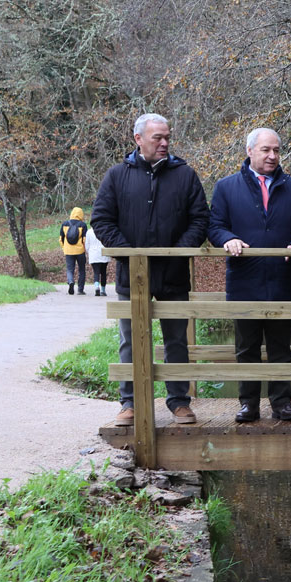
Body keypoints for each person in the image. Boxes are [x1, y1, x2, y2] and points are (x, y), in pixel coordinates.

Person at [91, 113, 210, 427]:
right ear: (138, 139)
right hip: (133, 275)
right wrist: (132, 255)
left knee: (176, 341)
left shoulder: (185, 175)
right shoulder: (117, 176)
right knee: (130, 341)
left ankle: (179, 402)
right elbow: (102, 220)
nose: (165, 143)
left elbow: (200, 220)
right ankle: (130, 404)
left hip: (174, 275)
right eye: (157, 137)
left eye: (167, 137)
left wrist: (178, 251)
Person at [208, 128, 291, 423]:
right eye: (266, 150)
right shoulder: (227, 187)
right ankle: (248, 404)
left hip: (282, 278)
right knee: (246, 347)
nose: (273, 156)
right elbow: (214, 225)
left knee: (281, 347)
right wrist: (228, 238)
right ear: (250, 151)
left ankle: (282, 403)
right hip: (244, 279)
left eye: (276, 150)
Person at [59, 207, 87, 295]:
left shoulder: (65, 224)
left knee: (70, 269)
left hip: (68, 251)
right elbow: (84, 240)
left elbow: (61, 239)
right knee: (81, 270)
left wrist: (64, 248)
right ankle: (80, 289)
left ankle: (71, 281)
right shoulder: (83, 225)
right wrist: (85, 249)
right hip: (80, 251)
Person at [85, 223, 110, 297]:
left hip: (94, 254)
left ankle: (96, 287)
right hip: (104, 253)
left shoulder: (89, 232)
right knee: (103, 272)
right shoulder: (104, 230)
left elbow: (87, 245)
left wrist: (89, 251)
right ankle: (103, 290)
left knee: (96, 272)